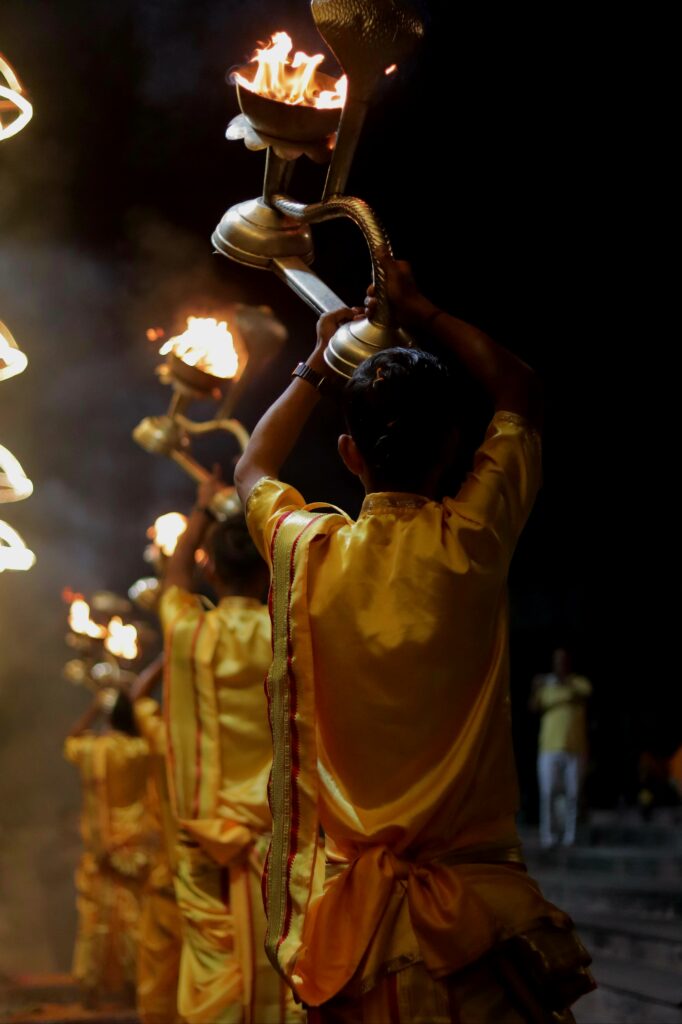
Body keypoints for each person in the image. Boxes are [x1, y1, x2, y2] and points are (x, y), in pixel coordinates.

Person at [235, 253, 595, 1022]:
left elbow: (251, 467)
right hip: (480, 931)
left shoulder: (308, 551)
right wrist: (423, 311)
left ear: (350, 454)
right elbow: (522, 391)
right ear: (458, 446)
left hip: (352, 942)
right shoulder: (475, 538)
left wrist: (316, 363)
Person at [159, 478, 302, 1024]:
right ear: (268, 572)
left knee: (211, 972)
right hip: (284, 841)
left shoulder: (190, 633)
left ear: (211, 571)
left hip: (206, 842)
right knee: (290, 964)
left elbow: (174, 579)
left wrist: (200, 508)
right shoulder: (292, 634)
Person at [64, 687, 154, 1009]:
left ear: (108, 717)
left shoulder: (95, 751)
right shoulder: (142, 749)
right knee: (135, 917)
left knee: (96, 918)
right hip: (134, 845)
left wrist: (93, 707)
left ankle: (91, 992)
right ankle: (135, 990)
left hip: (101, 847)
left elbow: (71, 738)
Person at [130, 653, 184, 1024]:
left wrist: (168, 654)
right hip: (232, 870)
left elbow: (137, 697)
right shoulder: (223, 736)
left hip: (174, 874)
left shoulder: (166, 741)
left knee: (161, 969)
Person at [530, 648, 592, 848]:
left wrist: (560, 681)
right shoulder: (547, 687)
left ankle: (569, 836)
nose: (560, 664)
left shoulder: (578, 682)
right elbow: (533, 706)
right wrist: (536, 687)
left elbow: (587, 692)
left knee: (572, 794)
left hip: (575, 747)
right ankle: (548, 836)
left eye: (563, 660)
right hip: (549, 747)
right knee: (548, 793)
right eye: (557, 661)